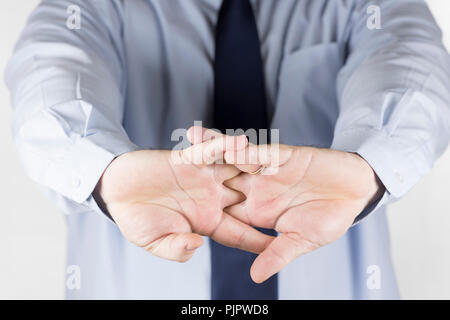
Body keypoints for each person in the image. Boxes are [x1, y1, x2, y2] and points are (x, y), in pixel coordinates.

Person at [5, 0, 450, 299]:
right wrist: (105, 174)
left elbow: (410, 70)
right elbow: (50, 84)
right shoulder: (89, 8)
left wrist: (368, 167)